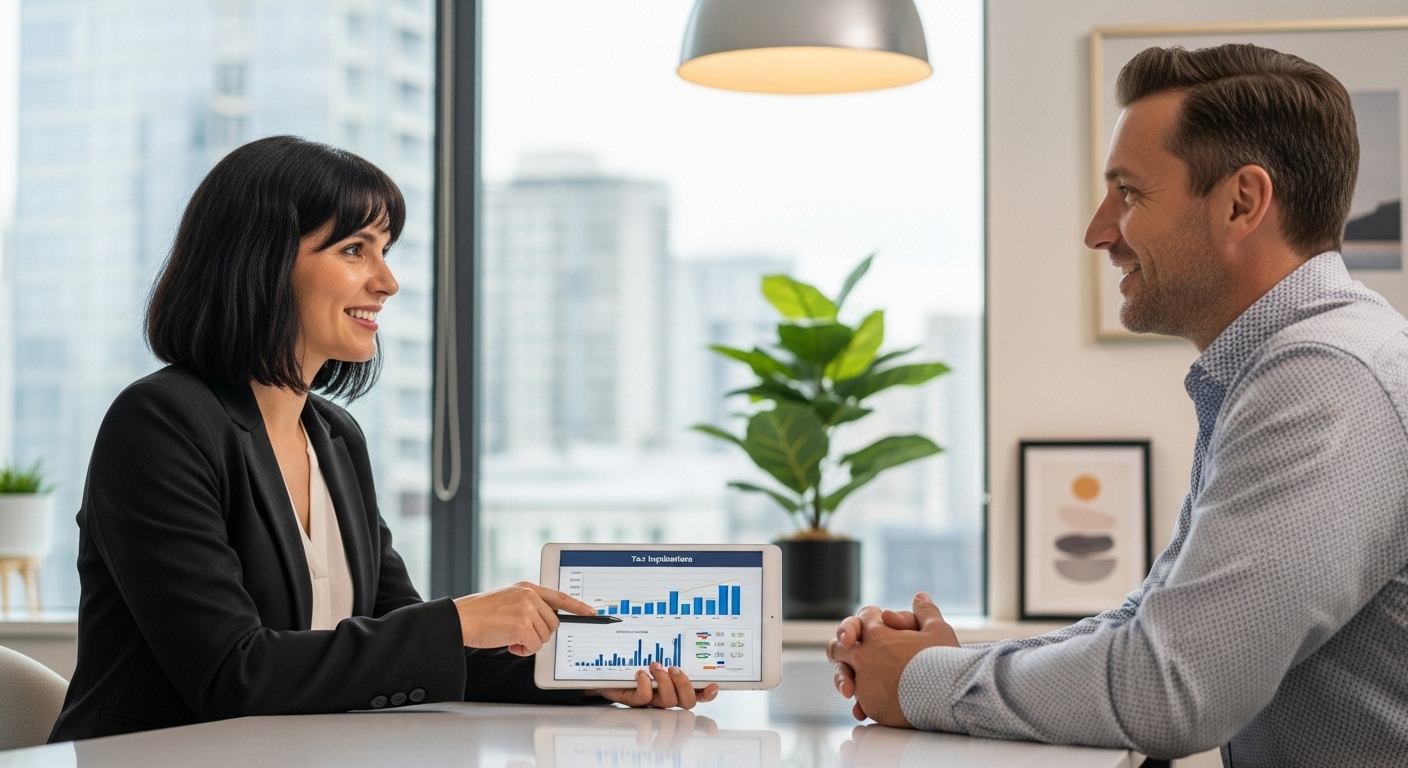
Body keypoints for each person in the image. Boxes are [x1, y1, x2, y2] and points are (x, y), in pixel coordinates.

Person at [829, 43, 1408, 766]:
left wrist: (921, 683)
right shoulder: (1294, 364)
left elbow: (1171, 688)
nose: (1098, 231)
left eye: (1129, 193)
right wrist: (944, 665)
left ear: (1241, 202)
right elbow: (1149, 628)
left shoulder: (1324, 378)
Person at [49, 136, 717, 743]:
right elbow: (233, 673)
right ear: (262, 261)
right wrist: (460, 620)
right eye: (354, 250)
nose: (387, 282)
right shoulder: (160, 423)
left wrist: (589, 678)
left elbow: (407, 648)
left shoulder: (335, 438)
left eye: (385, 251)